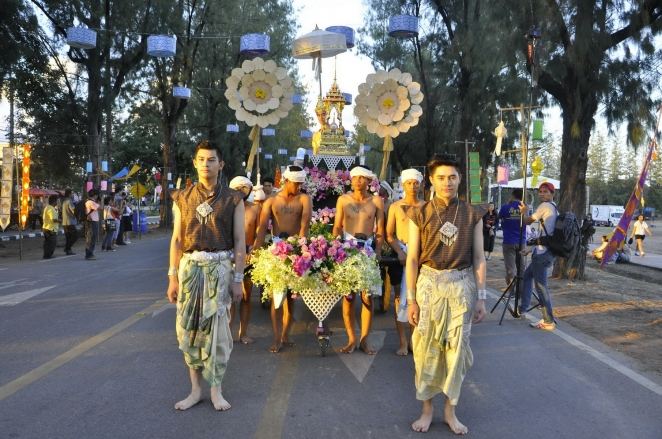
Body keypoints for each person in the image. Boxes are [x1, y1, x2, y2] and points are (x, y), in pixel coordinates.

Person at [405, 156, 487, 435]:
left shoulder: (472, 213)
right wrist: (411, 299)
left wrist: (482, 297)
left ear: (460, 179)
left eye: (452, 177)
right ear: (431, 180)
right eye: (441, 177)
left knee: (456, 351)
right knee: (425, 351)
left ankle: (450, 412)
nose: (447, 183)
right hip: (428, 286)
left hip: (461, 287)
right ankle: (427, 410)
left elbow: (478, 257)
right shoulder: (419, 212)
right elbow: (413, 259)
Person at [166, 140, 245, 411]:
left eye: (211, 159)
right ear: (194, 163)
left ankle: (216, 391)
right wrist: (172, 277)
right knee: (188, 332)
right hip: (189, 271)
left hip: (220, 270)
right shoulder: (182, 197)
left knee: (218, 334)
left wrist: (238, 279)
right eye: (201, 159)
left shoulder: (234, 199)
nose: (205, 164)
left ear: (220, 164)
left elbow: (239, 241)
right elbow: (177, 240)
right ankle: (195, 390)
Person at [254, 165, 312, 353]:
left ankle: (286, 334)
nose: (298, 187)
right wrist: (256, 249)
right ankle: (277, 337)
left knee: (292, 298)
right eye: (296, 184)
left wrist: (300, 250)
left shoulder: (304, 198)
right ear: (287, 181)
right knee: (276, 296)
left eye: (301, 183)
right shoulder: (271, 201)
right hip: (276, 249)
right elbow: (262, 227)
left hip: (296, 249)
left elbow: (304, 225)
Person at [332, 165, 385, 355]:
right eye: (355, 178)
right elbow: (337, 226)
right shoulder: (343, 200)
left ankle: (364, 339)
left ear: (369, 181)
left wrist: (378, 250)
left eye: (362, 178)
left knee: (367, 297)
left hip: (368, 250)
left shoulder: (377, 201)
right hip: (347, 249)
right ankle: (351, 339)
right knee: (348, 297)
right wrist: (336, 247)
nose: (358, 181)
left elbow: (380, 230)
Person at [386, 168, 424, 356]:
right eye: (409, 183)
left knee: (418, 299)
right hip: (400, 257)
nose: (412, 186)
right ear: (403, 184)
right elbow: (389, 235)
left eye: (416, 183)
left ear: (420, 184)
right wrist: (400, 251)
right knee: (400, 299)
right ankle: (402, 341)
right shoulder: (395, 206)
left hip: (421, 258)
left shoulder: (426, 206)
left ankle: (414, 340)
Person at [518, 181, 558, 330]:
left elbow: (527, 221)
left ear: (552, 194)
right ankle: (523, 309)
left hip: (542, 255)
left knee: (541, 287)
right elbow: (543, 233)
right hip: (546, 252)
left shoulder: (545, 206)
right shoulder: (554, 207)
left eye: (546, 191)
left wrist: (524, 212)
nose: (542, 194)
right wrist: (530, 249)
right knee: (528, 276)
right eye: (540, 191)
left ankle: (548, 320)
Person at [228, 176, 261, 345]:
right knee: (228, 298)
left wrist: (253, 251)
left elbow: (258, 233)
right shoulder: (225, 208)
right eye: (239, 188)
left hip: (248, 257)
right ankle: (227, 332)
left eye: (245, 188)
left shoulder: (255, 209)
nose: (242, 191)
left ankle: (243, 333)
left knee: (246, 297)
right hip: (228, 256)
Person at [498, 189, 526, 289]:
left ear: (512, 195)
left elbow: (499, 216)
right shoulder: (524, 207)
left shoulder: (505, 207)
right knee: (521, 268)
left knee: (510, 269)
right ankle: (521, 291)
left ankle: (512, 290)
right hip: (521, 241)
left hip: (508, 241)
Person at [42, 195, 60, 259]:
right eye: (57, 201)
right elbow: (54, 219)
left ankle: (46, 255)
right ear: (54, 201)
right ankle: (48, 255)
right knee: (52, 243)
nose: (58, 202)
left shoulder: (48, 207)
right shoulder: (51, 209)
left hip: (47, 228)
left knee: (48, 243)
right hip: (50, 229)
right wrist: (60, 221)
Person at [85, 189, 101, 260]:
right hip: (93, 221)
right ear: (95, 195)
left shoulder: (88, 201)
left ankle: (89, 253)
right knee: (92, 237)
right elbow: (101, 208)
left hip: (91, 221)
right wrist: (101, 200)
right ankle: (89, 254)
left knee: (90, 237)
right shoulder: (91, 202)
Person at [61, 188, 78, 255]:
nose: (72, 195)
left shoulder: (64, 201)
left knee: (68, 237)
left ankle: (68, 250)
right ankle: (67, 248)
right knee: (75, 236)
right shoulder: (69, 201)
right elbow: (73, 211)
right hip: (70, 221)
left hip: (65, 222)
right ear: (69, 194)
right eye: (72, 193)